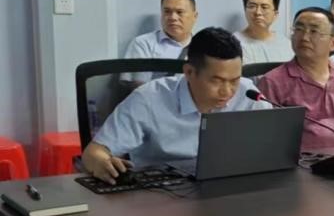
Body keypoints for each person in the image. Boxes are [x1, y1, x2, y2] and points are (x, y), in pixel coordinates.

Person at [83, 27, 267, 182]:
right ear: (189, 72)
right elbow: (94, 153)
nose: (227, 91)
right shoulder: (149, 99)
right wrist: (101, 162)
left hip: (226, 185)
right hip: (161, 191)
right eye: (216, 81)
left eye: (234, 80)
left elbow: (272, 142)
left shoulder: (248, 94)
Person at [257, 7, 334, 154]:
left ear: (333, 43)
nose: (304, 37)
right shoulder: (272, 82)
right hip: (301, 163)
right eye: (299, 30)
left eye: (314, 31)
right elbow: (265, 139)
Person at [122, 0, 199, 84]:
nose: (173, 17)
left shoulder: (204, 47)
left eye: (180, 12)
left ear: (195, 16)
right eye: (167, 11)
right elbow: (139, 87)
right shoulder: (143, 44)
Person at [235, 0, 291, 65]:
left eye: (264, 7)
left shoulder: (286, 44)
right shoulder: (234, 43)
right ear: (245, 10)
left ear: (275, 14)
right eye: (252, 6)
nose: (258, 12)